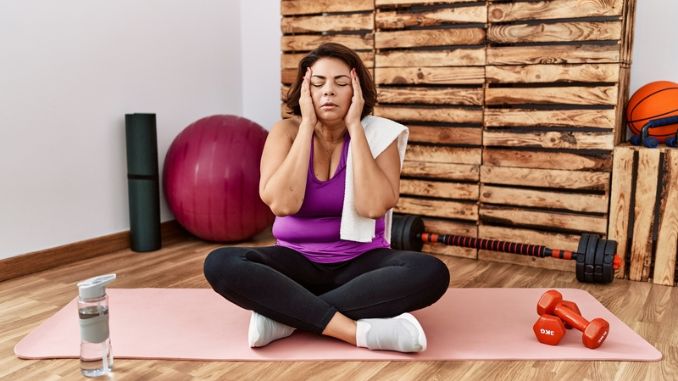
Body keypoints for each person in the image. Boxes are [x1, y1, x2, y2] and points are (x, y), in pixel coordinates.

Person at [203, 43, 449, 353]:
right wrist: (306, 126)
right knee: (221, 263)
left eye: (341, 83)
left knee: (431, 273)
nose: (328, 92)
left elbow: (372, 207)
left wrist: (355, 128)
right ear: (305, 92)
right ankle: (354, 331)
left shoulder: (380, 135)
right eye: (318, 83)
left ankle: (286, 317)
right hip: (295, 263)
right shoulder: (286, 133)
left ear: (357, 91)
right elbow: (283, 205)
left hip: (362, 264)